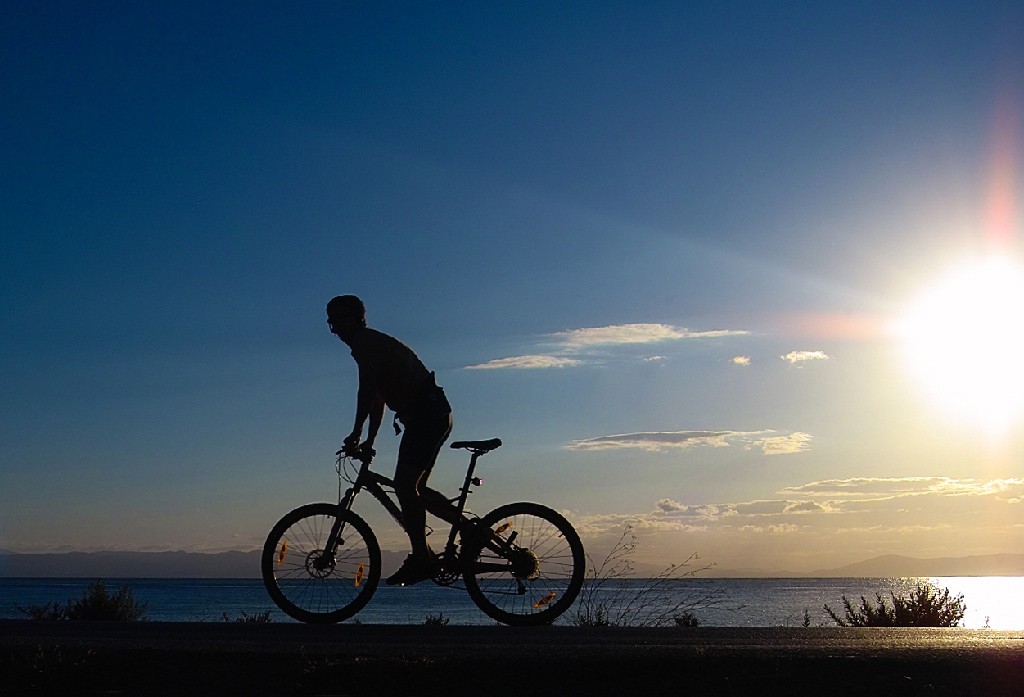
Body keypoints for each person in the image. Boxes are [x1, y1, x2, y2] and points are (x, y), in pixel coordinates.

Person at [326, 295, 454, 586]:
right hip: (430, 414)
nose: (336, 327)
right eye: (331, 322)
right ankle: (470, 531)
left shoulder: (364, 343)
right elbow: (380, 399)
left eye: (340, 319)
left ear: (359, 317)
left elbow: (367, 391)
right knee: (415, 487)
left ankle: (422, 558)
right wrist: (369, 440)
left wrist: (356, 433)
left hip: (427, 415)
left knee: (405, 486)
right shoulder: (369, 345)